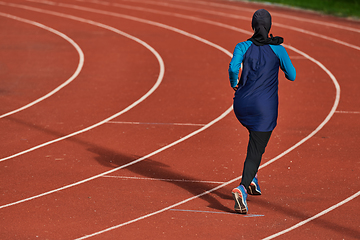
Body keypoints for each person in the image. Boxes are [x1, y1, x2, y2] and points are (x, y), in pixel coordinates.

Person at [228, 9, 296, 214]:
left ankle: (253, 178)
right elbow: (292, 75)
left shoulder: (242, 46)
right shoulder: (278, 49)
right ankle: (242, 187)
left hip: (240, 104)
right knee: (256, 149)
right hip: (264, 109)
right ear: (270, 26)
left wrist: (235, 84)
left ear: (252, 26)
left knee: (254, 137)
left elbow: (233, 67)